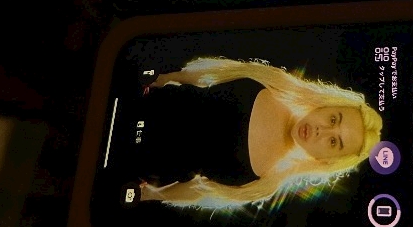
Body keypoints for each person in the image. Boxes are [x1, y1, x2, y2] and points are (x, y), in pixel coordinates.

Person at [122, 57, 383, 209]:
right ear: (326, 105)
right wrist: (163, 77)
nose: (320, 130)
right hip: (142, 99)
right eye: (333, 119)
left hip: (135, 160)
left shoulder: (265, 183)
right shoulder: (272, 82)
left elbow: (199, 191)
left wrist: (150, 194)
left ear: (326, 161)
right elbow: (205, 74)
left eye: (333, 141)